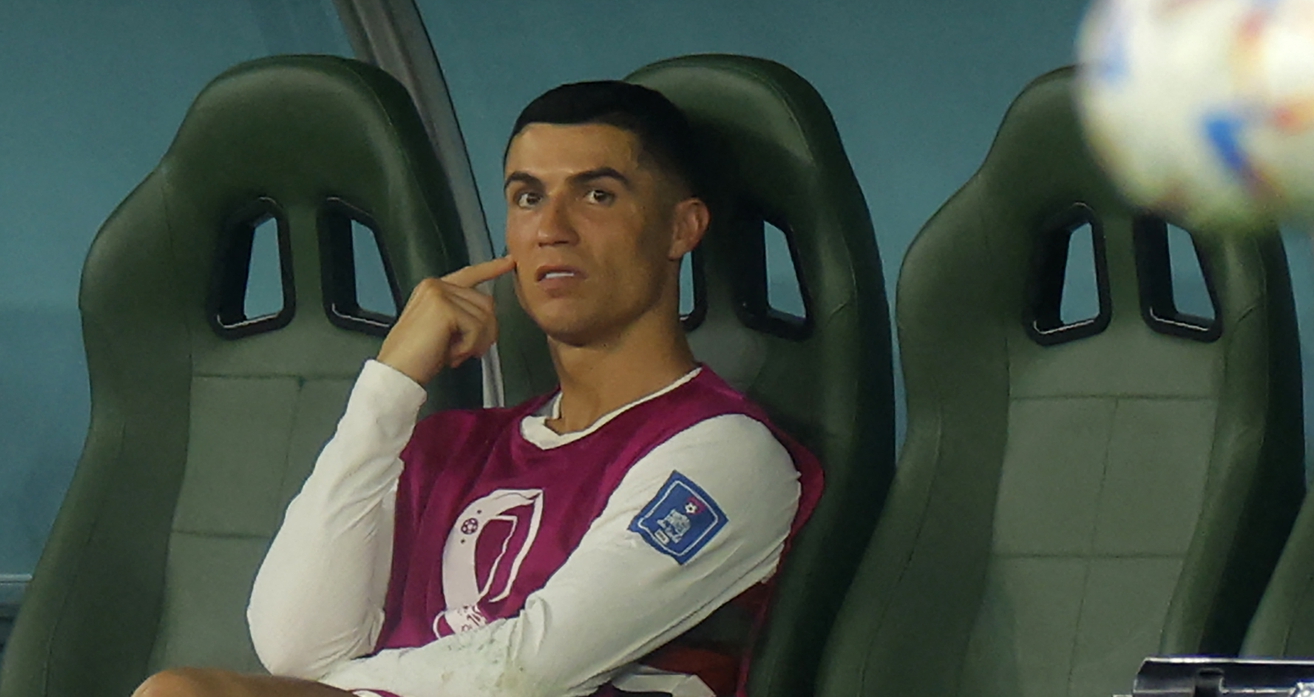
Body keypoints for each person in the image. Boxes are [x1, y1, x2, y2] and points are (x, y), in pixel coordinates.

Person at [133, 81, 822, 697]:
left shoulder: (722, 453)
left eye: (597, 195)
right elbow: (294, 646)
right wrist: (390, 385)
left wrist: (346, 690)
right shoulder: (450, 446)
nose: (551, 229)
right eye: (528, 198)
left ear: (681, 227)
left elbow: (531, 673)